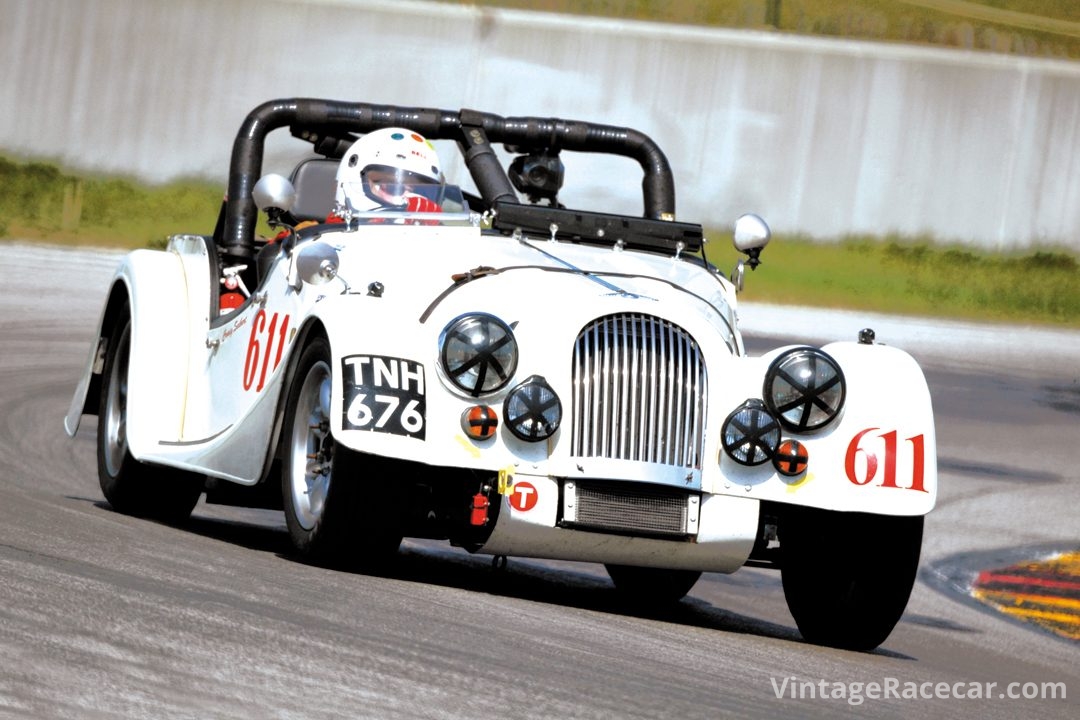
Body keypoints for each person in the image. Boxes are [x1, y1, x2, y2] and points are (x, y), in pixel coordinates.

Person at [331, 127, 445, 221]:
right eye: (391, 187)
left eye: (421, 193)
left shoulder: (443, 244)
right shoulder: (319, 242)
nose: (409, 200)